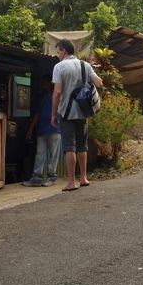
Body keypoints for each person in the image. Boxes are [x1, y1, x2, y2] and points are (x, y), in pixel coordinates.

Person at [51, 39, 103, 192]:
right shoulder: (84, 65)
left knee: (69, 147)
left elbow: (57, 93)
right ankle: (84, 178)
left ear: (64, 51)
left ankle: (71, 182)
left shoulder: (59, 67)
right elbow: (99, 82)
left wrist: (53, 113)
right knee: (82, 145)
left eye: (58, 51)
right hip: (83, 111)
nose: (58, 54)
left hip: (66, 112)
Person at [22, 75, 61, 187]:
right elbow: (37, 114)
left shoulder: (58, 95)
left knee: (53, 155)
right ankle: (37, 178)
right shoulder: (42, 96)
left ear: (51, 83)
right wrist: (31, 129)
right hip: (42, 129)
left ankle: (51, 177)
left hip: (54, 128)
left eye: (46, 82)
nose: (44, 84)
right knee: (40, 154)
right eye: (43, 82)